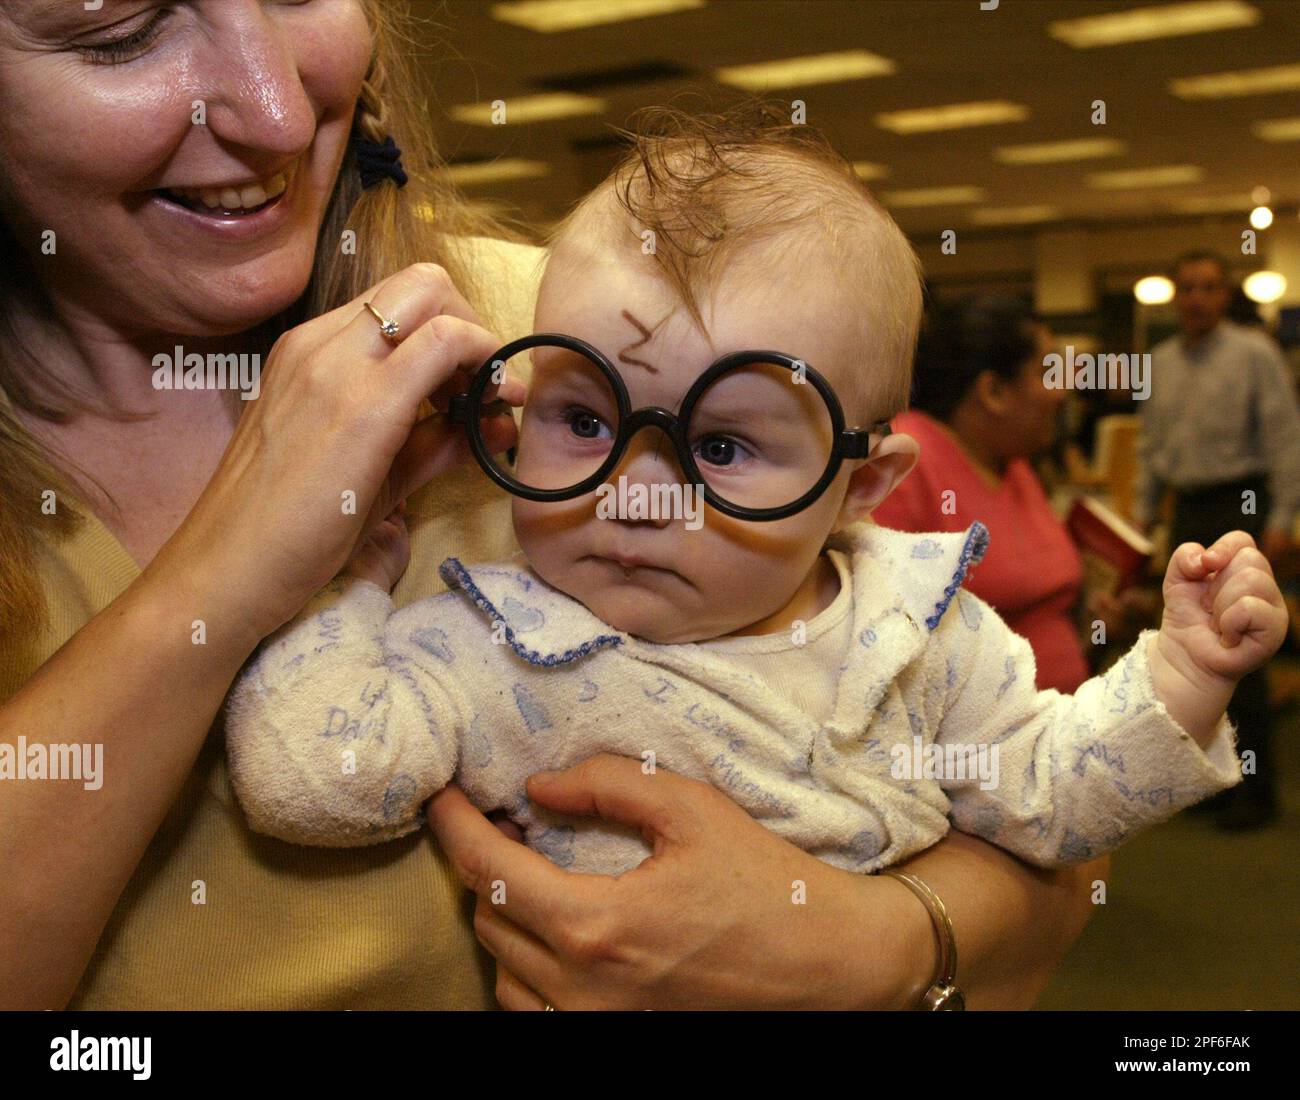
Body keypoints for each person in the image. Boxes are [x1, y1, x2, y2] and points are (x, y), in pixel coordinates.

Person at [0, 0, 1103, 1012]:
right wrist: (224, 572)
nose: (280, 111)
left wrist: (860, 945)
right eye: (119, 27)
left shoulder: (597, 325)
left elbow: (1043, 816)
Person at [223, 115, 1273, 900]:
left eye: (721, 446)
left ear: (861, 487)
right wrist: (347, 579)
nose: (631, 493)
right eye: (584, 421)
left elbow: (1056, 791)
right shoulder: (491, 639)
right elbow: (316, 778)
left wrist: (1178, 678)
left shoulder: (919, 633)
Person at [1135, 251, 1300, 829]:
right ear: (1176, 297)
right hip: (1189, 510)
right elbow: (1151, 450)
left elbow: (1285, 439)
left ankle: (1256, 791)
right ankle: (1209, 784)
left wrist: (1281, 518)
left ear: (1224, 295)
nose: (1198, 298)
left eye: (1209, 287)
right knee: (1185, 649)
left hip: (1242, 505)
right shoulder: (1160, 361)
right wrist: (1142, 518)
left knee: (1241, 648)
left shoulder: (1255, 353)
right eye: (1187, 288)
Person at [872, 297, 1091, 693]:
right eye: (1046, 371)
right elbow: (889, 633)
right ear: (994, 391)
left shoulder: (1014, 461)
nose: (1062, 391)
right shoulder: (907, 460)